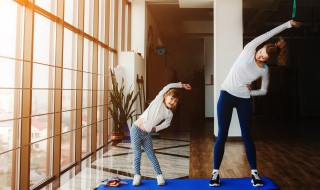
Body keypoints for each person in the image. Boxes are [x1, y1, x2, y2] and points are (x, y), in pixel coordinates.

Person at [209, 20, 301, 187]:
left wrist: (250, 92)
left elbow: (264, 91)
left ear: (267, 60)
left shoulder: (264, 70)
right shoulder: (249, 49)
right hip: (226, 95)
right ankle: (215, 173)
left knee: (247, 136)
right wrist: (288, 24)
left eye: (262, 57)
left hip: (243, 100)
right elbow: (269, 34)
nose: (258, 55)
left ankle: (254, 174)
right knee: (222, 135)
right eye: (260, 52)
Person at [130, 82, 192, 186]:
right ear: (165, 96)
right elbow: (168, 86)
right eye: (171, 98)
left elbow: (166, 124)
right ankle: (137, 176)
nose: (173, 102)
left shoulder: (169, 114)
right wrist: (181, 85)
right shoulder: (157, 101)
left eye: (175, 101)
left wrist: (156, 128)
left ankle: (159, 176)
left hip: (146, 134)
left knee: (151, 155)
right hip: (136, 129)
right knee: (137, 154)